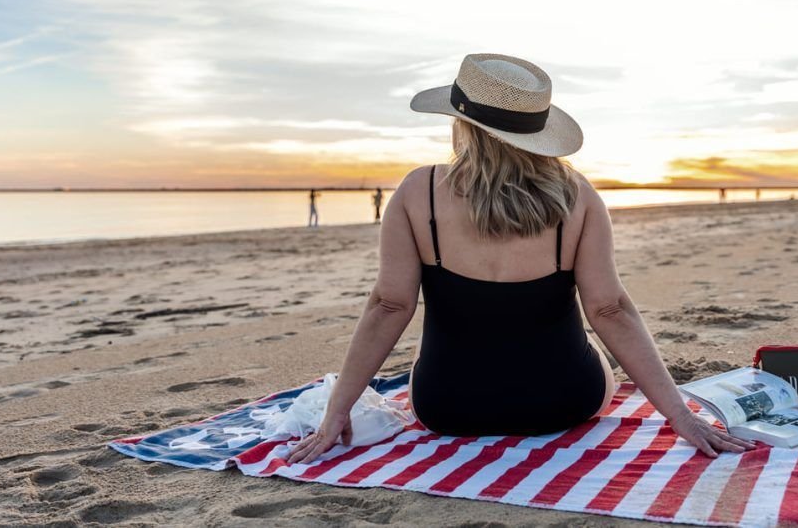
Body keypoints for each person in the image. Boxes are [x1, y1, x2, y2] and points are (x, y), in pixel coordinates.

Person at [286, 53, 755, 465]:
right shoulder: (577, 196)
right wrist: (680, 416)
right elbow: (610, 310)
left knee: (430, 359)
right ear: (538, 134)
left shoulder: (418, 192)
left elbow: (389, 306)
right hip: (564, 402)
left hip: (448, 406)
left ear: (461, 124)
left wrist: (335, 416)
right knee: (596, 356)